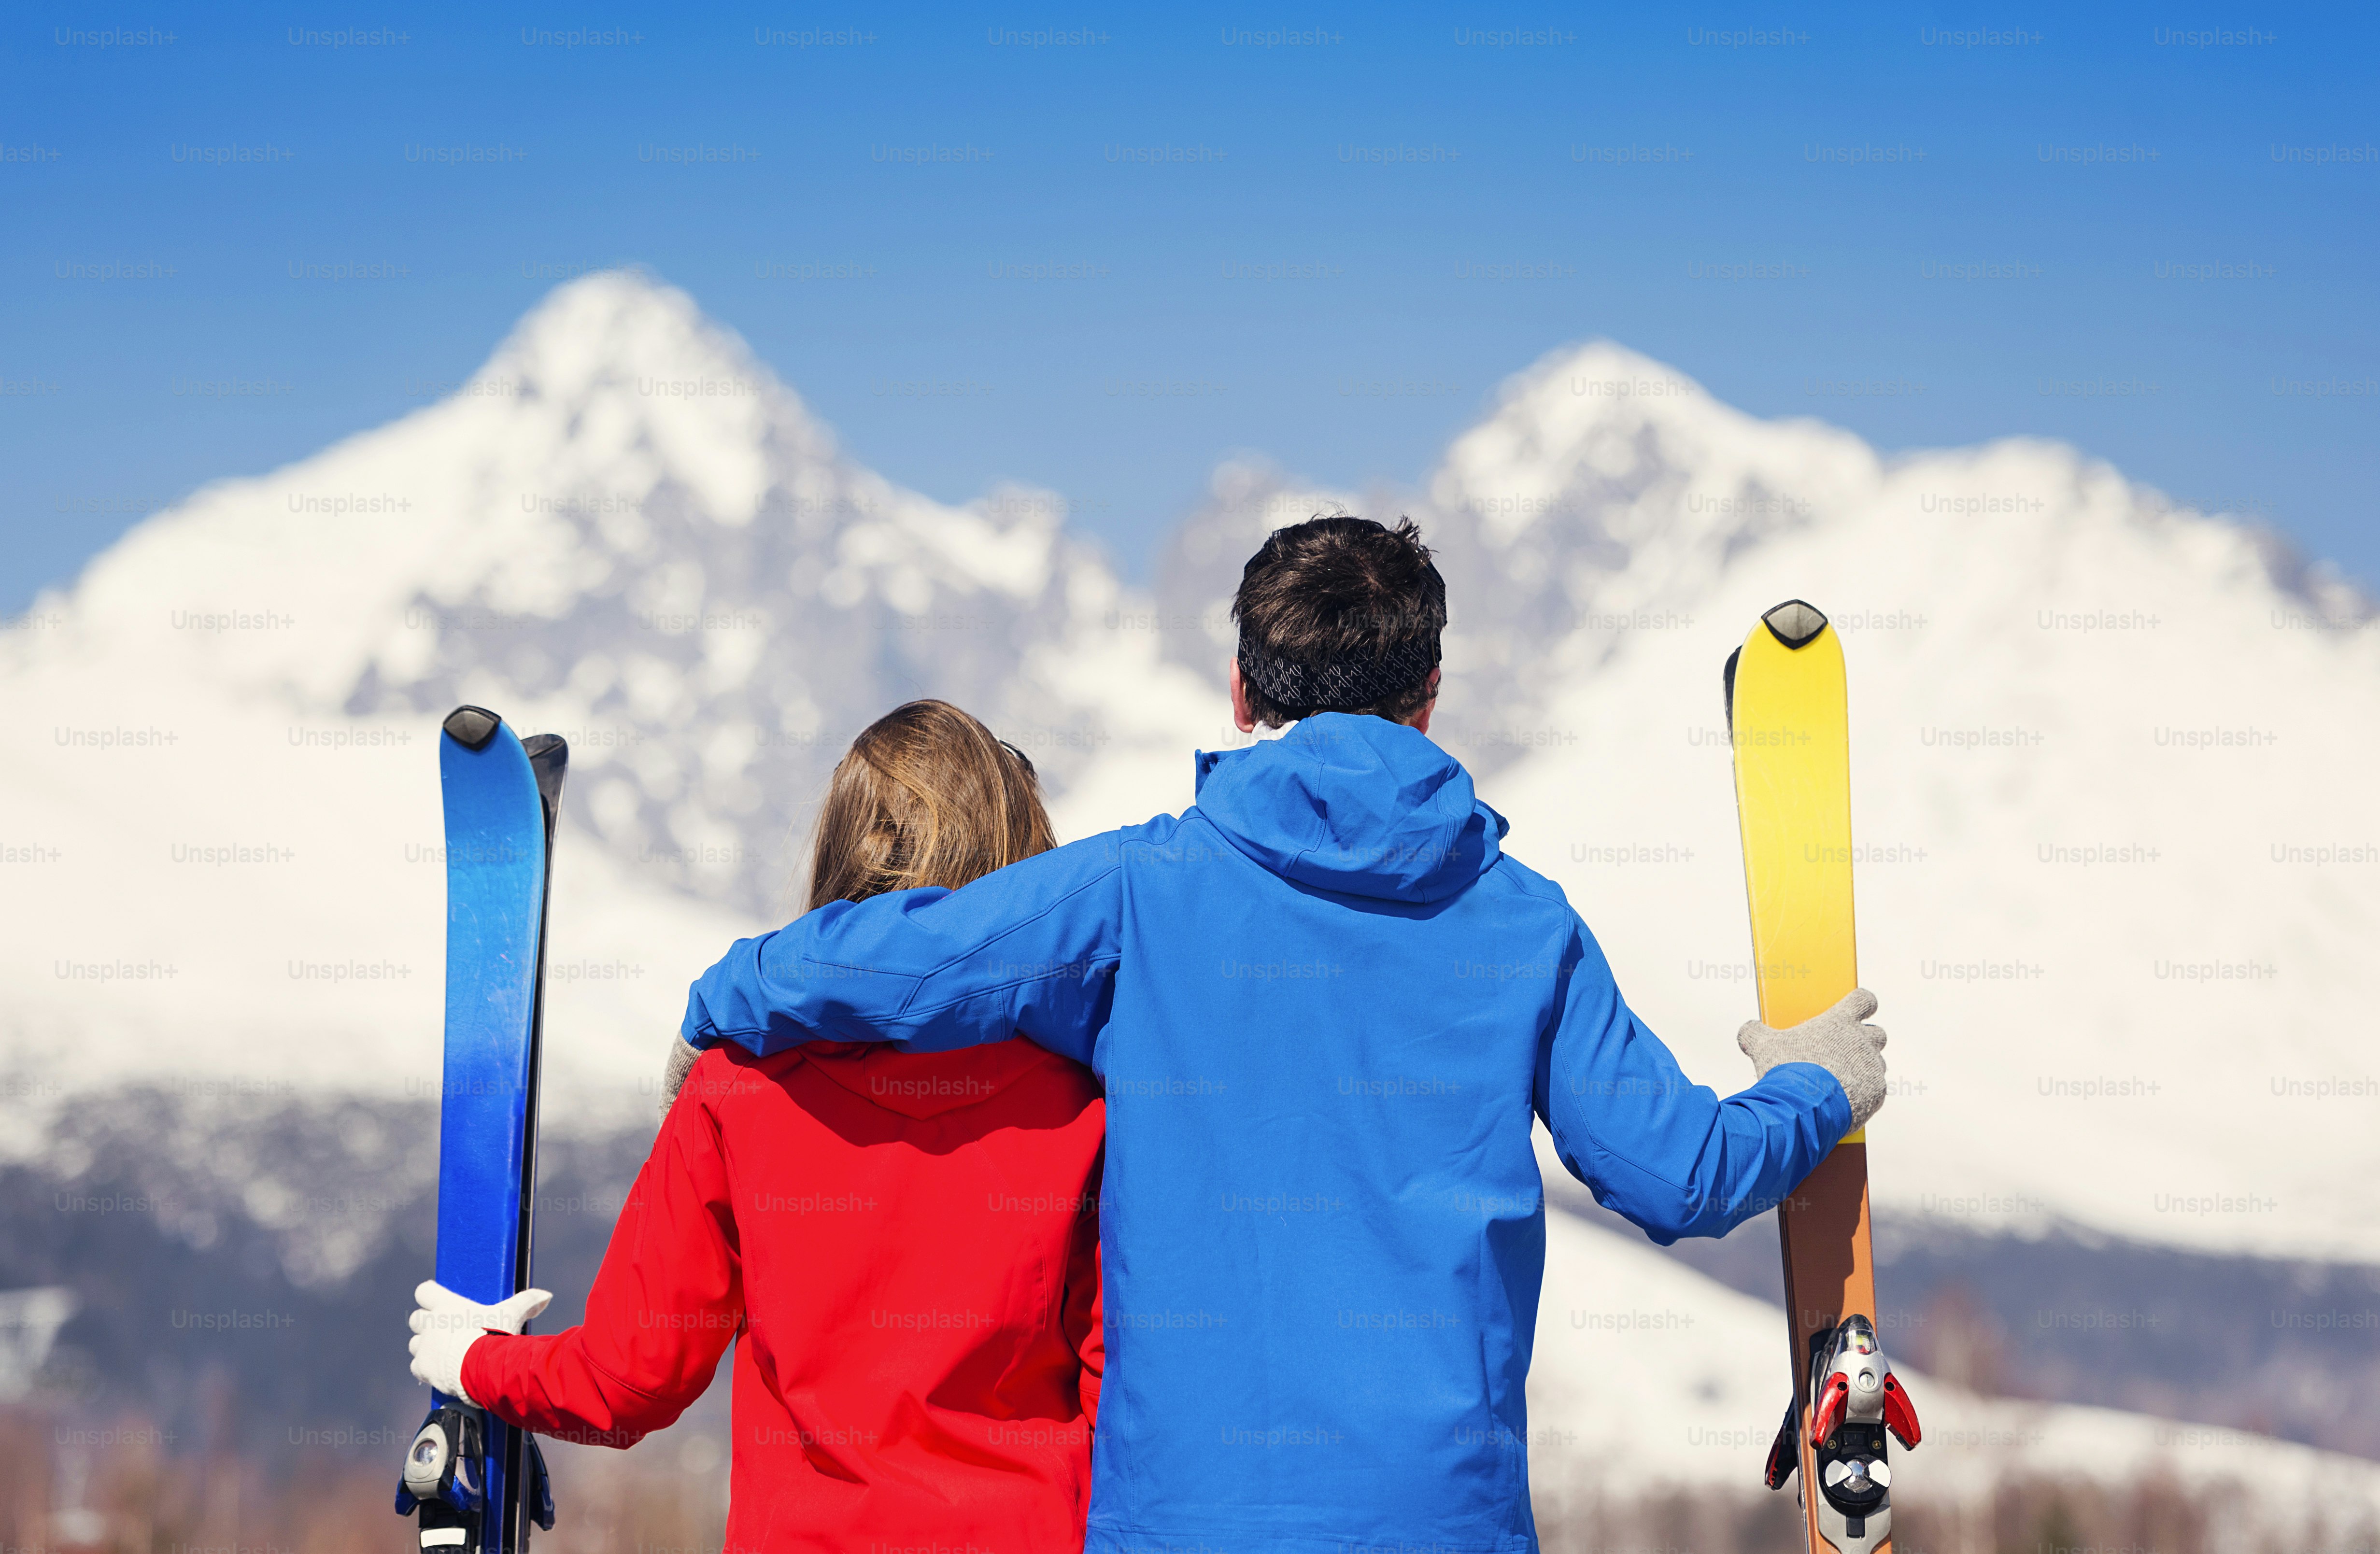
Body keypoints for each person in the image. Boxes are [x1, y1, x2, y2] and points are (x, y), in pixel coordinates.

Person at [679, 516, 1890, 1554]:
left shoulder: (1136, 894)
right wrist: (1815, 1091)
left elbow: (897, 957)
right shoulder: (1523, 926)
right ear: (1426, 700)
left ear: (1243, 691)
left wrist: (724, 1002)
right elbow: (1678, 1174)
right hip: (1440, 1516)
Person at [406, 701, 1106, 1552]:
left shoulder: (736, 1088)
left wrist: (476, 1362)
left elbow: (630, 1380)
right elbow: (1131, 1403)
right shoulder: (1089, 1101)